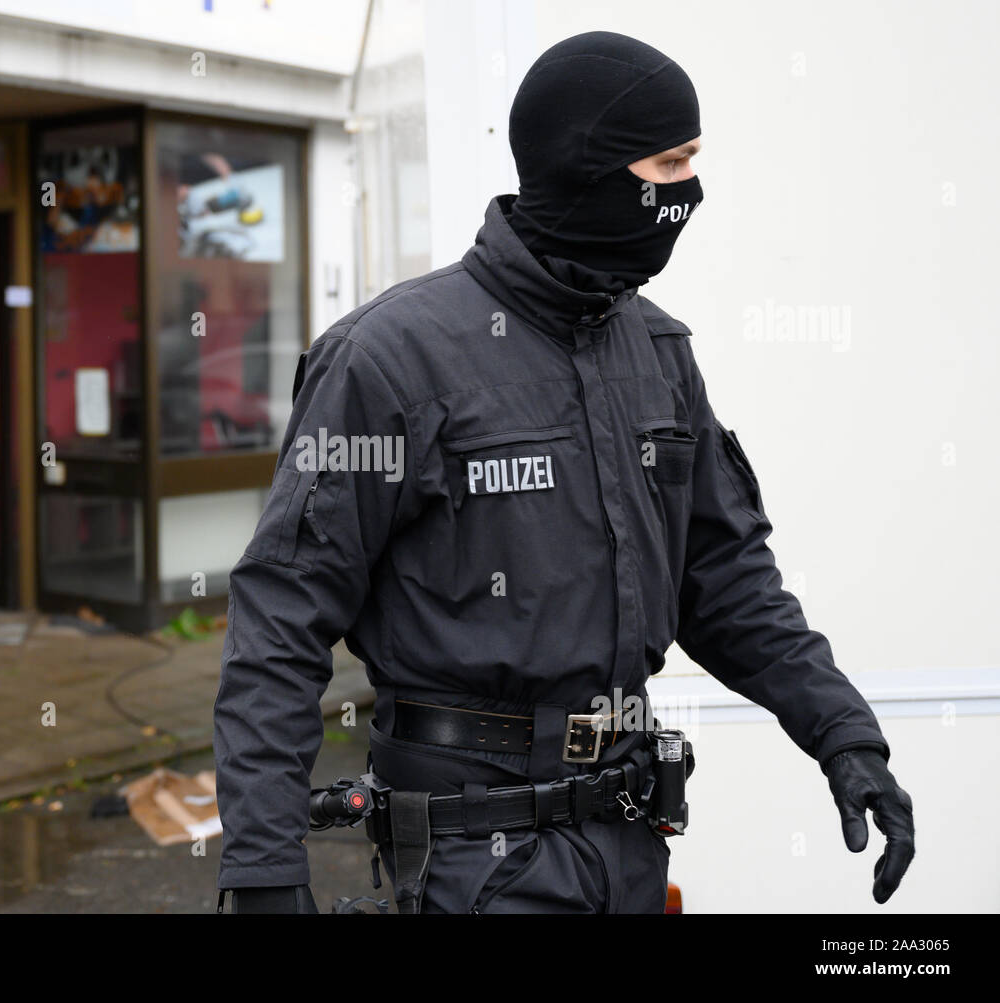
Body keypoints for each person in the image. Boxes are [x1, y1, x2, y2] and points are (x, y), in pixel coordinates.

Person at [213, 31, 914, 913]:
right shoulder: (389, 361)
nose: (687, 192)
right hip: (473, 861)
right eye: (670, 163)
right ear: (591, 166)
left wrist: (843, 734)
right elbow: (281, 620)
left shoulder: (657, 353)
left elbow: (727, 578)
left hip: (627, 842)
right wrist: (264, 871)